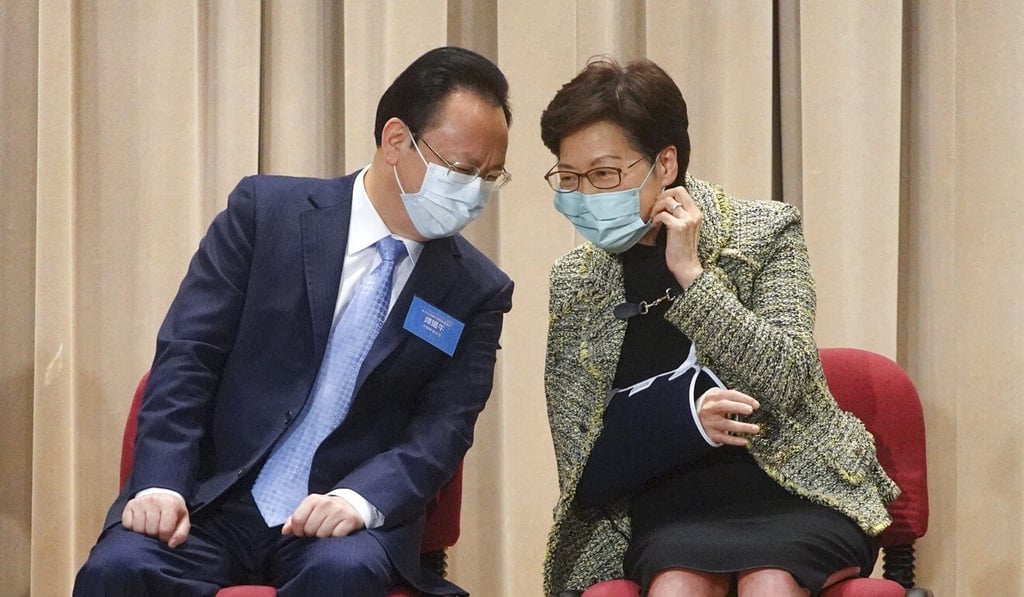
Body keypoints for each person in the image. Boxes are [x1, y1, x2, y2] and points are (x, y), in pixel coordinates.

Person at [74, 46, 514, 597]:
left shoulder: (475, 291)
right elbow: (190, 355)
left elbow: (443, 428)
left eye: (491, 177)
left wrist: (357, 500)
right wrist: (162, 481)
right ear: (397, 140)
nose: (475, 193)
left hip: (337, 519)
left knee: (344, 576)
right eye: (462, 170)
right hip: (214, 499)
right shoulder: (265, 214)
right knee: (119, 570)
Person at [539, 57, 900, 597]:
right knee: (677, 584)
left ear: (665, 163)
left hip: (796, 488)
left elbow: (788, 378)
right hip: (670, 507)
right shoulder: (576, 282)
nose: (585, 195)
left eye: (605, 174)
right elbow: (583, 469)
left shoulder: (764, 232)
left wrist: (692, 276)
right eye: (569, 178)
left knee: (771, 582)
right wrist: (683, 421)